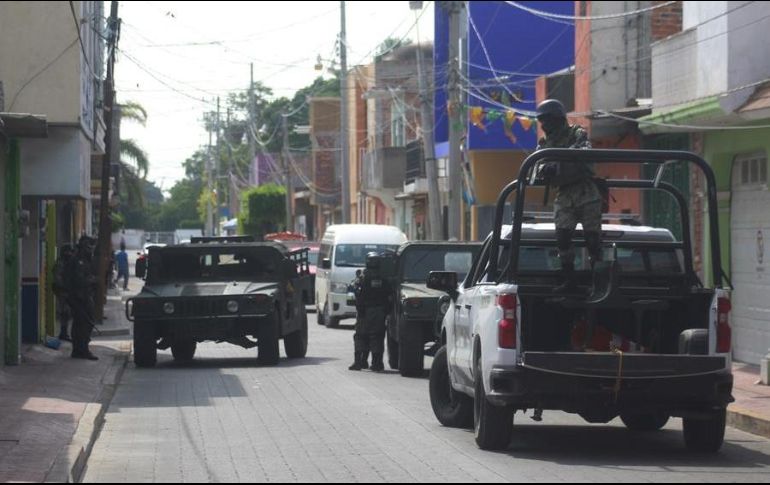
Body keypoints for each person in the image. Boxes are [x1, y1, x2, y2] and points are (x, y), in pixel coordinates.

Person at [535, 98, 603, 294]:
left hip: (585, 192)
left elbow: (584, 151)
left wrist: (560, 160)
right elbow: (536, 164)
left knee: (593, 241)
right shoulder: (545, 143)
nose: (544, 125)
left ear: (557, 118)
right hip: (565, 195)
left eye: (547, 120)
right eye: (542, 122)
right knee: (562, 238)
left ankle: (598, 281)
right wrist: (544, 168)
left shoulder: (577, 133)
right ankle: (569, 280)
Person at [348, 252, 393, 372]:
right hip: (379, 311)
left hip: (365, 311)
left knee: (360, 336)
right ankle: (377, 363)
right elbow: (389, 295)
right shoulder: (384, 278)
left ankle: (359, 362)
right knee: (377, 336)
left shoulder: (363, 277)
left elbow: (356, 291)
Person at [67, 236, 99, 360]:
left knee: (81, 323)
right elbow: (80, 280)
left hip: (83, 296)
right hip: (79, 297)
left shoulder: (84, 260)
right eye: (88, 248)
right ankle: (82, 349)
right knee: (85, 323)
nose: (90, 250)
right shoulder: (79, 261)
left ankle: (78, 349)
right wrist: (93, 280)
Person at [53, 244, 76, 341]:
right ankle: (63, 333)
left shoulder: (68, 262)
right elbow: (58, 277)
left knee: (66, 313)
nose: (70, 253)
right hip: (62, 291)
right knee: (64, 312)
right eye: (69, 251)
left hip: (67, 290)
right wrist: (64, 287)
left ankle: (64, 333)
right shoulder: (61, 263)